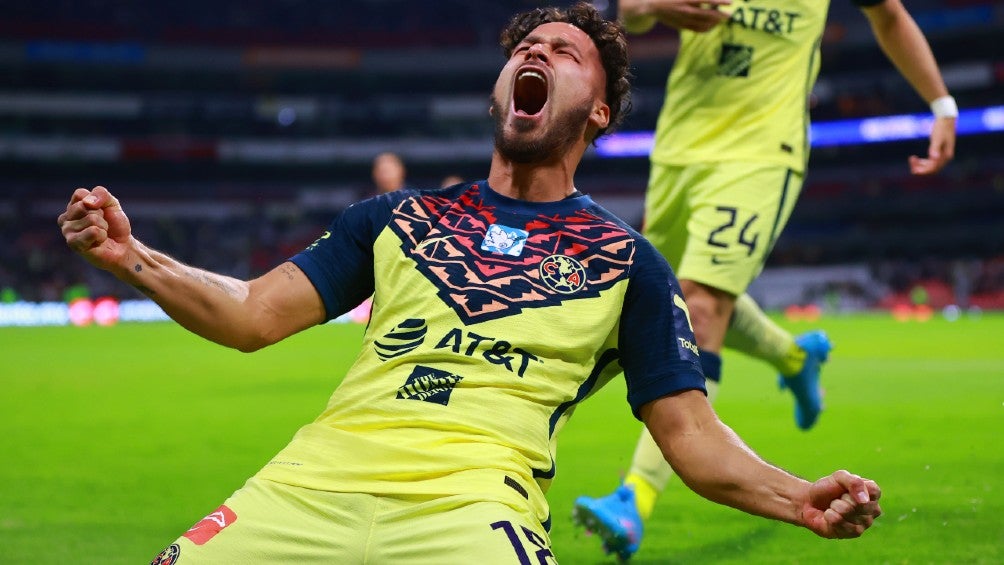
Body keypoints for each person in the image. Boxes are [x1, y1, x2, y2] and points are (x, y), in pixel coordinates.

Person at [58, 4, 881, 563]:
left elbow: (693, 439)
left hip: (474, 511)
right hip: (302, 489)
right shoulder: (393, 218)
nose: (537, 55)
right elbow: (250, 313)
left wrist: (799, 496)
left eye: (565, 53)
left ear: (598, 110)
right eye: (526, 49)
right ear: (499, 90)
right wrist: (134, 257)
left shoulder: (629, 262)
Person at [572, 0, 956, 559]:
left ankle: (633, 499)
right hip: (681, 149)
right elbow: (628, 14)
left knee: (700, 310)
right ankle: (794, 358)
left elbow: (890, 16)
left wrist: (941, 104)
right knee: (660, 292)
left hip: (760, 153)